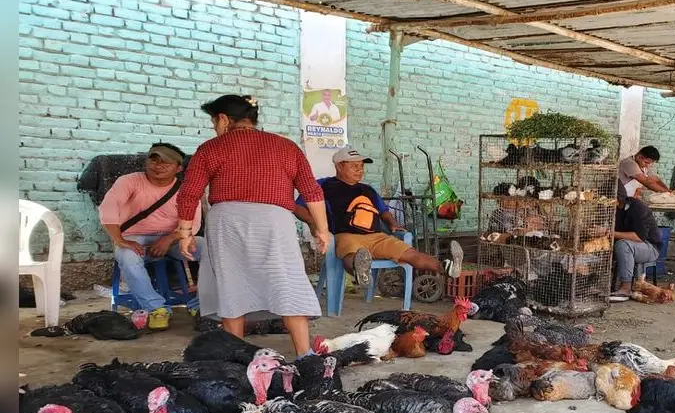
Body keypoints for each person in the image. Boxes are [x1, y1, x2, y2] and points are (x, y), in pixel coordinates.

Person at [175, 94, 331, 358]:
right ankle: (305, 355)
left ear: (223, 118)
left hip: (228, 222)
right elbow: (312, 192)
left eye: (214, 121)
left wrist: (185, 233)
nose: (215, 127)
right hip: (275, 222)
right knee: (286, 282)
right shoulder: (286, 146)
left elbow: (189, 194)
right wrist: (322, 230)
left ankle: (236, 357)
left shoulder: (211, 148)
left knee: (231, 286)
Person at [293, 147, 463, 286]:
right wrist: (312, 223)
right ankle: (361, 272)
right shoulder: (323, 185)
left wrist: (392, 224)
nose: (359, 170)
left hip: (377, 237)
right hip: (345, 236)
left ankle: (446, 267)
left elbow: (383, 211)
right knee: (351, 254)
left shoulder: (368, 190)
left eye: (361, 166)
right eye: (354, 166)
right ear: (339, 166)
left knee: (410, 253)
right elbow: (297, 206)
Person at [99, 142, 205, 330]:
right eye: (154, 159)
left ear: (179, 168)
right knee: (126, 255)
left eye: (166, 162)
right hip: (135, 238)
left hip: (173, 239)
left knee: (210, 249)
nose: (158, 165)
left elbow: (193, 225)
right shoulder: (129, 181)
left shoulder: (186, 190)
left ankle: (200, 304)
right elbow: (108, 209)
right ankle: (156, 308)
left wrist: (168, 239)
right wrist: (119, 239)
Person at [610, 182, 662, 302]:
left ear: (618, 198)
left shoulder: (638, 208)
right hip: (631, 245)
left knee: (623, 244)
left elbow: (639, 237)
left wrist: (609, 232)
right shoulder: (612, 210)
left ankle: (626, 287)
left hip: (650, 247)